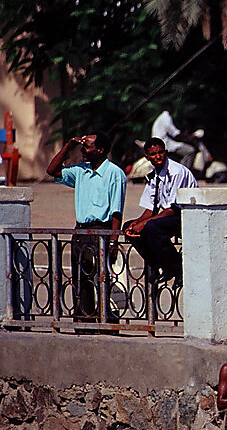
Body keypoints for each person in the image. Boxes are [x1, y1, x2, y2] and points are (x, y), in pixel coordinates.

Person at [46, 132, 126, 324]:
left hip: (102, 230)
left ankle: (107, 317)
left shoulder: (114, 173)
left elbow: (116, 212)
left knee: (103, 276)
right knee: (81, 277)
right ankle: (84, 317)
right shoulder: (81, 170)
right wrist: (68, 146)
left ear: (100, 150)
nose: (83, 150)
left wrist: (113, 241)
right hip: (81, 230)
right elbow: (52, 170)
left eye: (87, 147)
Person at [122, 137, 197, 286]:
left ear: (166, 152)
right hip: (170, 215)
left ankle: (177, 269)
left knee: (151, 227)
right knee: (128, 228)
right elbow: (150, 208)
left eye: (161, 153)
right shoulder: (154, 175)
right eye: (153, 154)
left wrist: (145, 223)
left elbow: (172, 208)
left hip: (187, 216)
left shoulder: (176, 172)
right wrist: (136, 223)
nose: (158, 157)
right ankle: (157, 265)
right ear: (147, 157)